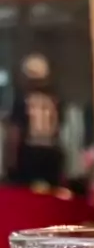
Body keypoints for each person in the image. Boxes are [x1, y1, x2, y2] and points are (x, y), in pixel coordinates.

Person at [5, 54, 63, 187]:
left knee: (25, 194)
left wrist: (10, 160)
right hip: (51, 153)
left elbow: (15, 133)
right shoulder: (55, 100)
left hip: (29, 153)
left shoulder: (23, 100)